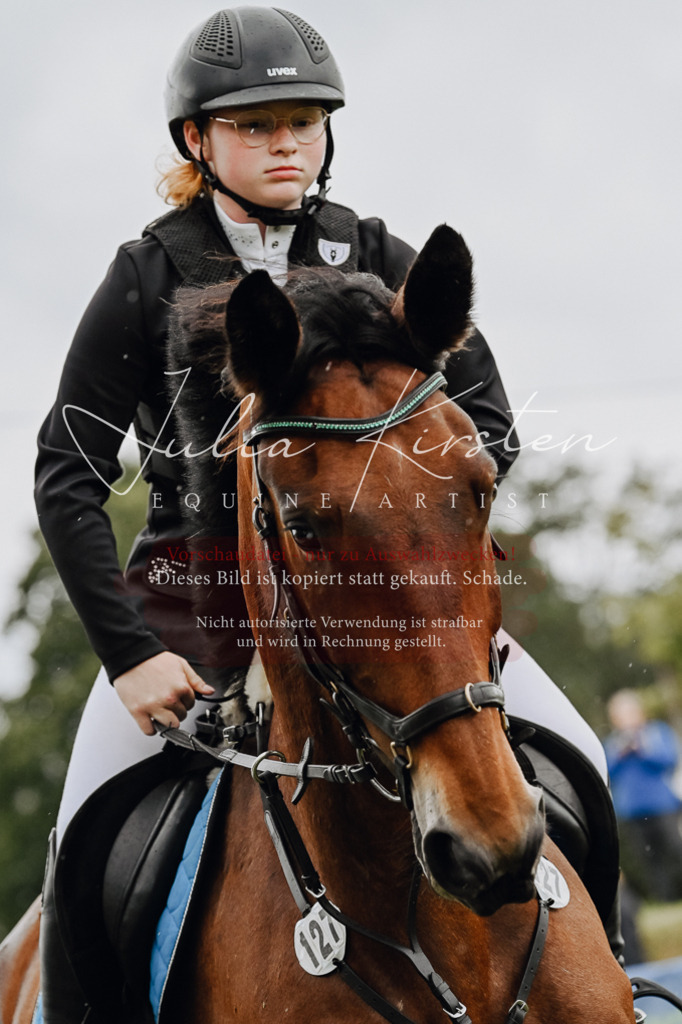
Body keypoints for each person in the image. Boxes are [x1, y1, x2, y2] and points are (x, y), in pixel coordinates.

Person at [32, 7, 613, 1022]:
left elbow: (488, 428)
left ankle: (618, 979)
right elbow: (65, 475)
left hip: (387, 601)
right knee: (82, 841)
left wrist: (403, 531)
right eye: (255, 125)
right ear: (197, 140)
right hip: (192, 616)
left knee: (585, 761)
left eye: (303, 121)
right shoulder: (146, 275)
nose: (286, 143)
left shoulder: (377, 252)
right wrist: (127, 656)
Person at [605, 689, 682, 902]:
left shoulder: (657, 732)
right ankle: (665, 900)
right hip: (632, 810)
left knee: (675, 849)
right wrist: (620, 753)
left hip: (662, 806)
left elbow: (670, 760)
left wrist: (643, 750)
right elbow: (607, 772)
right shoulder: (613, 742)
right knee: (649, 859)